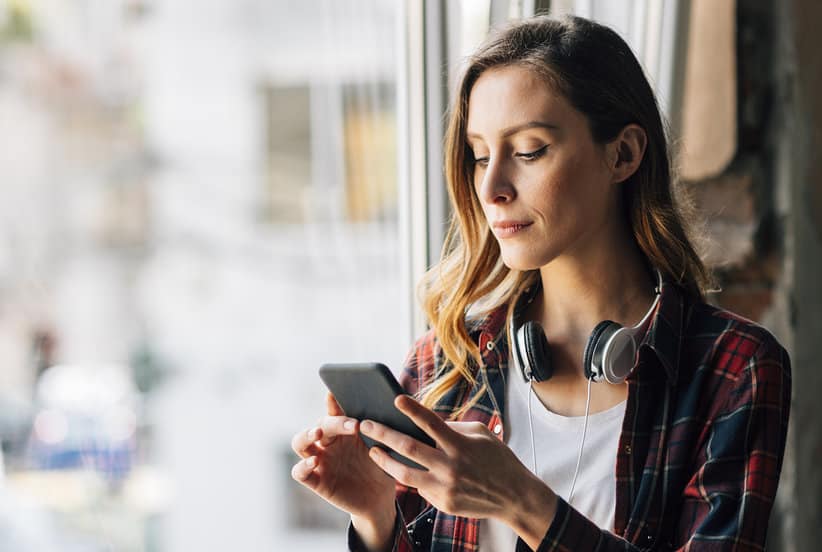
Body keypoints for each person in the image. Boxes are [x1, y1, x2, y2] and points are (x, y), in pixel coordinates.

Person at [291, 15, 791, 552]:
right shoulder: (446, 363)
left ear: (622, 154)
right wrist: (376, 519)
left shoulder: (735, 369)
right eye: (480, 155)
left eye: (528, 150)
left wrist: (521, 501)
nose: (491, 186)